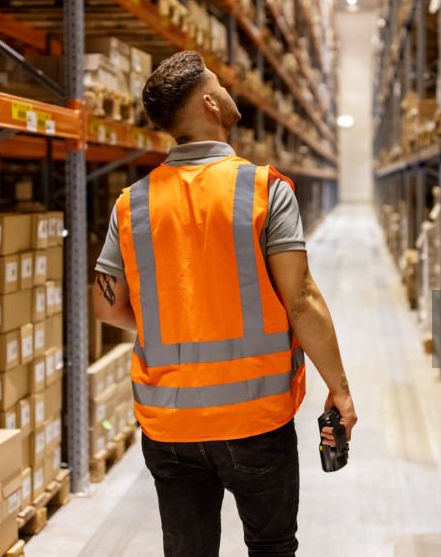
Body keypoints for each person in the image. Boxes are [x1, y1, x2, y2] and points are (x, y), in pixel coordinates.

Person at [92, 50, 358, 557]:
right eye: (219, 81)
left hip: (169, 425)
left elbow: (106, 308)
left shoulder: (132, 203)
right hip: (253, 420)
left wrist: (166, 326)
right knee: (271, 545)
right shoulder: (264, 189)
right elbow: (300, 301)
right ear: (211, 103)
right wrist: (339, 390)